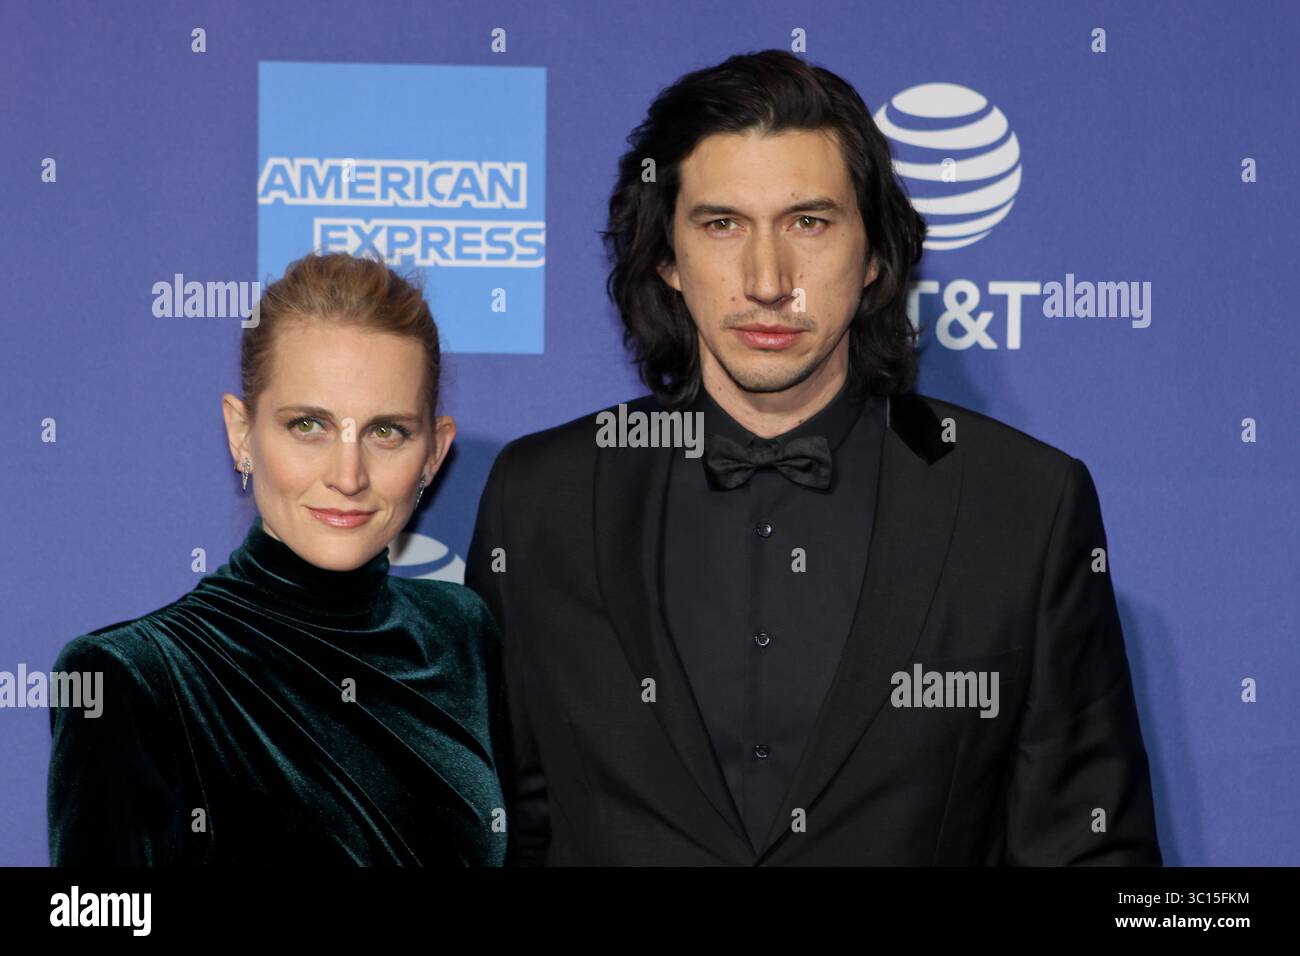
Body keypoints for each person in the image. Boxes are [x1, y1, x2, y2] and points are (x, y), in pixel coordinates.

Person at [466, 50, 1162, 865]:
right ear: (666, 259)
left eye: (810, 222)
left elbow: (1091, 854)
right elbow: (496, 829)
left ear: (874, 257)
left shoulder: (1024, 506)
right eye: (722, 224)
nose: (768, 280)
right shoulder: (541, 498)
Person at [48, 252, 508, 865]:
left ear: (434, 453)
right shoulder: (130, 678)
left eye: (386, 431)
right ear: (242, 433)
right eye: (309, 425)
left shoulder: (463, 633)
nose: (348, 476)